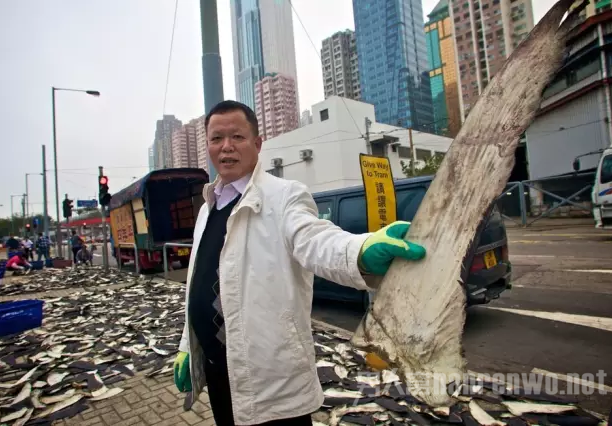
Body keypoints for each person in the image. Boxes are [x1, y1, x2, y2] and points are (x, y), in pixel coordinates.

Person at [172, 100, 427, 426]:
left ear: (257, 144)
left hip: (272, 385)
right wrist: (187, 345)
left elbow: (318, 241)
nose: (226, 147)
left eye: (237, 137)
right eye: (216, 139)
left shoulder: (284, 197)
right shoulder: (208, 208)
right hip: (218, 372)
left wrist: (360, 250)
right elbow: (198, 282)